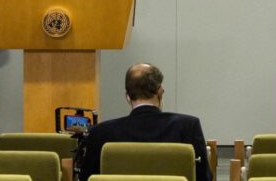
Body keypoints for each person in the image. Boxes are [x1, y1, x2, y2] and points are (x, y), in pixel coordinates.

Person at [79, 63, 212, 181]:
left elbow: (87, 177)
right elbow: (203, 177)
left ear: (127, 96)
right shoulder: (188, 126)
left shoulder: (101, 132)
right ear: (160, 91)